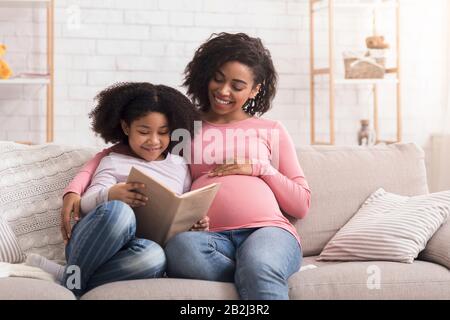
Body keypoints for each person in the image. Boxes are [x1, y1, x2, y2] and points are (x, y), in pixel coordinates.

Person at [60, 32, 311, 300]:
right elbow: (120, 151)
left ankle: (258, 270)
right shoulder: (184, 125)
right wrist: (74, 189)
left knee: (260, 264)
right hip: (207, 240)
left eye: (237, 86)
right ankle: (252, 272)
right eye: (218, 78)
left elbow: (301, 204)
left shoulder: (271, 130)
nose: (223, 91)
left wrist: (261, 168)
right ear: (206, 75)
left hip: (267, 230)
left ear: (255, 89)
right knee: (178, 250)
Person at [27, 82, 206, 296]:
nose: (154, 141)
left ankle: (71, 279)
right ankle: (73, 278)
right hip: (92, 244)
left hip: (135, 250)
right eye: (144, 131)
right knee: (119, 212)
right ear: (126, 127)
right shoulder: (113, 161)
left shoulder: (179, 166)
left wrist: (194, 223)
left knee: (155, 257)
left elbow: (180, 209)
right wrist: (110, 195)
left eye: (163, 132)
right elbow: (83, 206)